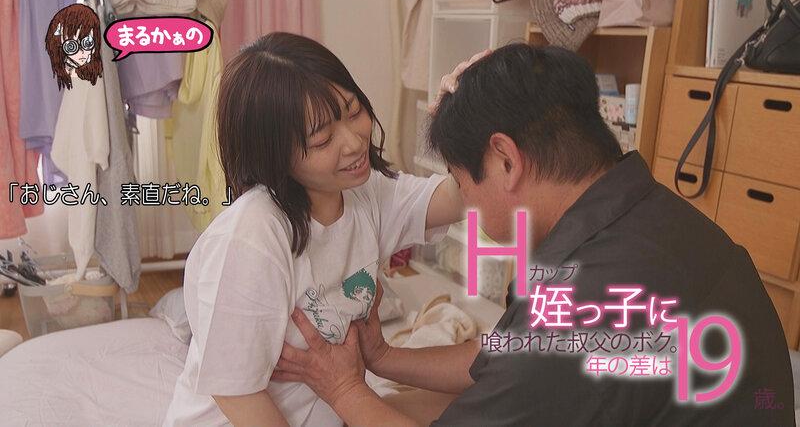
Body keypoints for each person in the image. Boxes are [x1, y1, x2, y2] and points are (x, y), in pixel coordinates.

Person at [274, 43, 795, 426]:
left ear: (506, 160)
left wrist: (344, 389)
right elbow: (507, 358)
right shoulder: (643, 214)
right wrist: (384, 358)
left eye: (459, 180)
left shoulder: (584, 304)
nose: (464, 201)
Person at [162, 32, 464, 426]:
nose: (354, 142)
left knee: (481, 406)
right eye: (322, 140)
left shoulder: (364, 193)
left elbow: (461, 197)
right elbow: (237, 394)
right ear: (274, 154)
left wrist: (465, 120)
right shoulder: (253, 237)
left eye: (353, 111)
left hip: (333, 410)